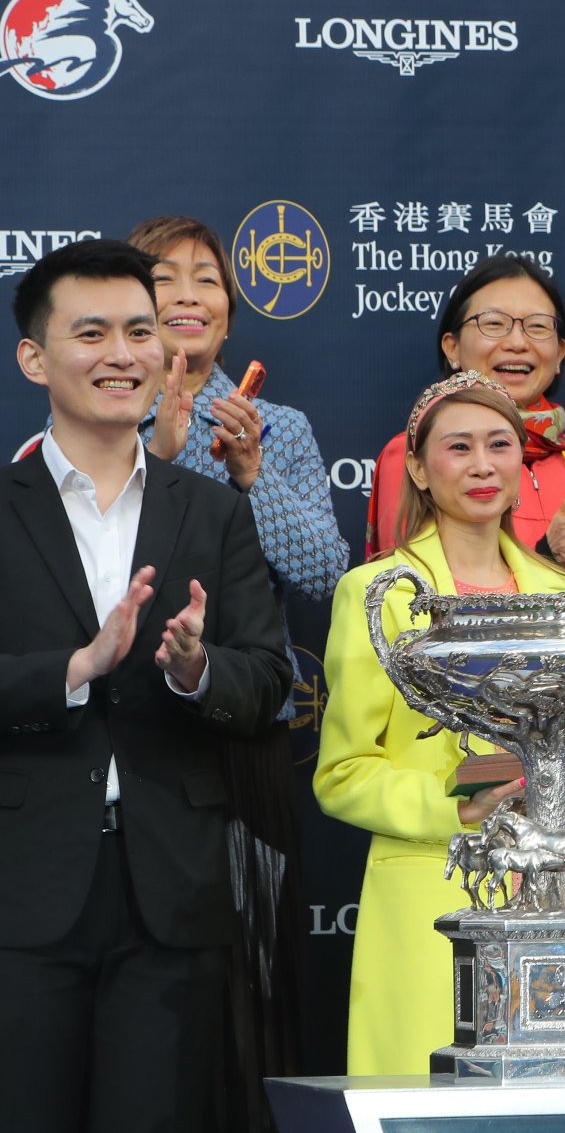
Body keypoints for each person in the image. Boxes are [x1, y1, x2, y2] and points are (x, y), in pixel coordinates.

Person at [0, 238, 291, 1131]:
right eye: (92, 333)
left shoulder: (206, 508)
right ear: (36, 358)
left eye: (140, 331)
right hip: (22, 889)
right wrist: (76, 671)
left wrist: (196, 670)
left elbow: (270, 677)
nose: (122, 355)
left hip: (173, 890)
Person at [316, 372, 565, 1076]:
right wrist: (459, 807)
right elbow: (341, 774)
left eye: (499, 445)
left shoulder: (559, 591)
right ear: (417, 467)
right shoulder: (376, 593)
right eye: (458, 447)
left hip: (556, 895)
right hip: (430, 894)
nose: (481, 465)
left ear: (520, 463)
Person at [128, 213, 349, 1129]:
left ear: (229, 309)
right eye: (165, 278)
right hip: (128, 729)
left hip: (242, 729)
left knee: (245, 973)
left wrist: (250, 471)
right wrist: (162, 459)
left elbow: (325, 571)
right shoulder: (99, 418)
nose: (188, 294)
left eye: (207, 279)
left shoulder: (278, 426)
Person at [366, 255, 565, 585]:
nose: (517, 343)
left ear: (559, 354)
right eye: (494, 323)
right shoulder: (416, 454)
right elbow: (410, 591)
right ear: (452, 348)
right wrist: (548, 558)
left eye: (538, 326)